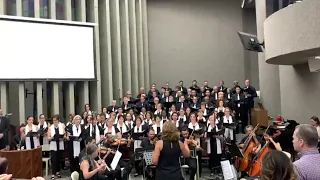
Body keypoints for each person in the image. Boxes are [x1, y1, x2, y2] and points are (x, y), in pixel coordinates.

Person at [47, 114, 65, 180]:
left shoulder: (62, 126)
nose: (55, 122)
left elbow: (64, 135)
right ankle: (53, 174)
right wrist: (52, 137)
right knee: (53, 159)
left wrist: (62, 137)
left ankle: (58, 172)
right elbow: (48, 137)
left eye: (56, 120)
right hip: (53, 145)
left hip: (60, 144)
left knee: (58, 159)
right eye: (53, 120)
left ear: (58, 120)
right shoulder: (50, 127)